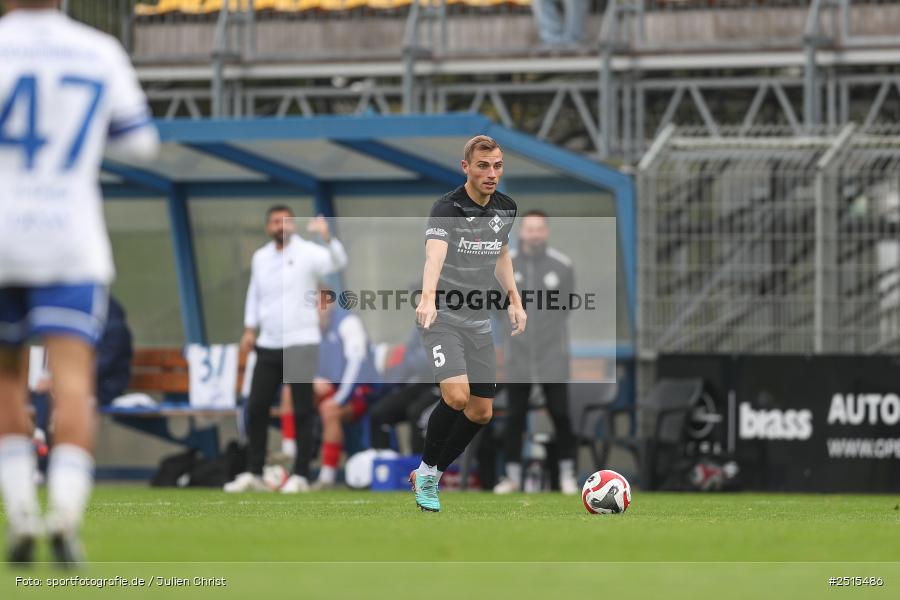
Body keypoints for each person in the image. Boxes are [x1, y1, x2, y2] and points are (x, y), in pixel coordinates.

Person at [0, 0, 159, 565]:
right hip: (69, 236)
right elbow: (139, 141)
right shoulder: (98, 51)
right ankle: (64, 515)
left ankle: (20, 513)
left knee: (7, 383)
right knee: (72, 381)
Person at [411, 135, 526, 512]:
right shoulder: (447, 208)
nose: (491, 174)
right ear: (466, 168)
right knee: (457, 397)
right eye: (483, 166)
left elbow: (502, 254)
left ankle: (432, 472)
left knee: (481, 411)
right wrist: (427, 299)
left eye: (497, 166)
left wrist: (514, 299)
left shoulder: (506, 209)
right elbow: (434, 256)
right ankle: (428, 472)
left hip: (478, 322)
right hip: (442, 318)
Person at [225, 207, 347, 494]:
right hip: (268, 343)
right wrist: (248, 328)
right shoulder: (260, 257)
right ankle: (254, 473)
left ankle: (301, 475)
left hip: (301, 341)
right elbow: (254, 293)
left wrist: (328, 238)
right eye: (276, 221)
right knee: (256, 407)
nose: (282, 225)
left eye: (286, 220)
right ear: (268, 226)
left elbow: (338, 262)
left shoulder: (307, 252)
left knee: (303, 409)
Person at [493, 210, 579, 495]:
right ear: (522, 232)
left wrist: (545, 338)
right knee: (514, 415)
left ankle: (568, 474)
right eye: (529, 229)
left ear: (546, 231)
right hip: (517, 356)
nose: (534, 234)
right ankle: (512, 475)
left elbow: (565, 309)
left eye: (539, 229)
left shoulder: (562, 265)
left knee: (561, 414)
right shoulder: (507, 264)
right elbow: (497, 307)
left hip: (551, 355)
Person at [311, 292, 380, 489]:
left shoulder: (348, 323)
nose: (316, 308)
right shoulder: (310, 328)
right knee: (291, 394)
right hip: (330, 390)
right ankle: (290, 459)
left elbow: (356, 365)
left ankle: (327, 477)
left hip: (359, 392)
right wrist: (313, 380)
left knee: (329, 410)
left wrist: (339, 399)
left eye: (320, 302)